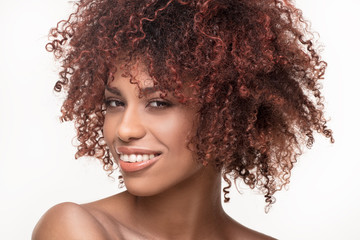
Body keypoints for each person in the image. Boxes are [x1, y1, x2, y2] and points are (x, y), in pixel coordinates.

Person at [32, 0, 334, 239]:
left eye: (159, 103)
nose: (124, 129)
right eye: (115, 102)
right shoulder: (75, 229)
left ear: (227, 113)